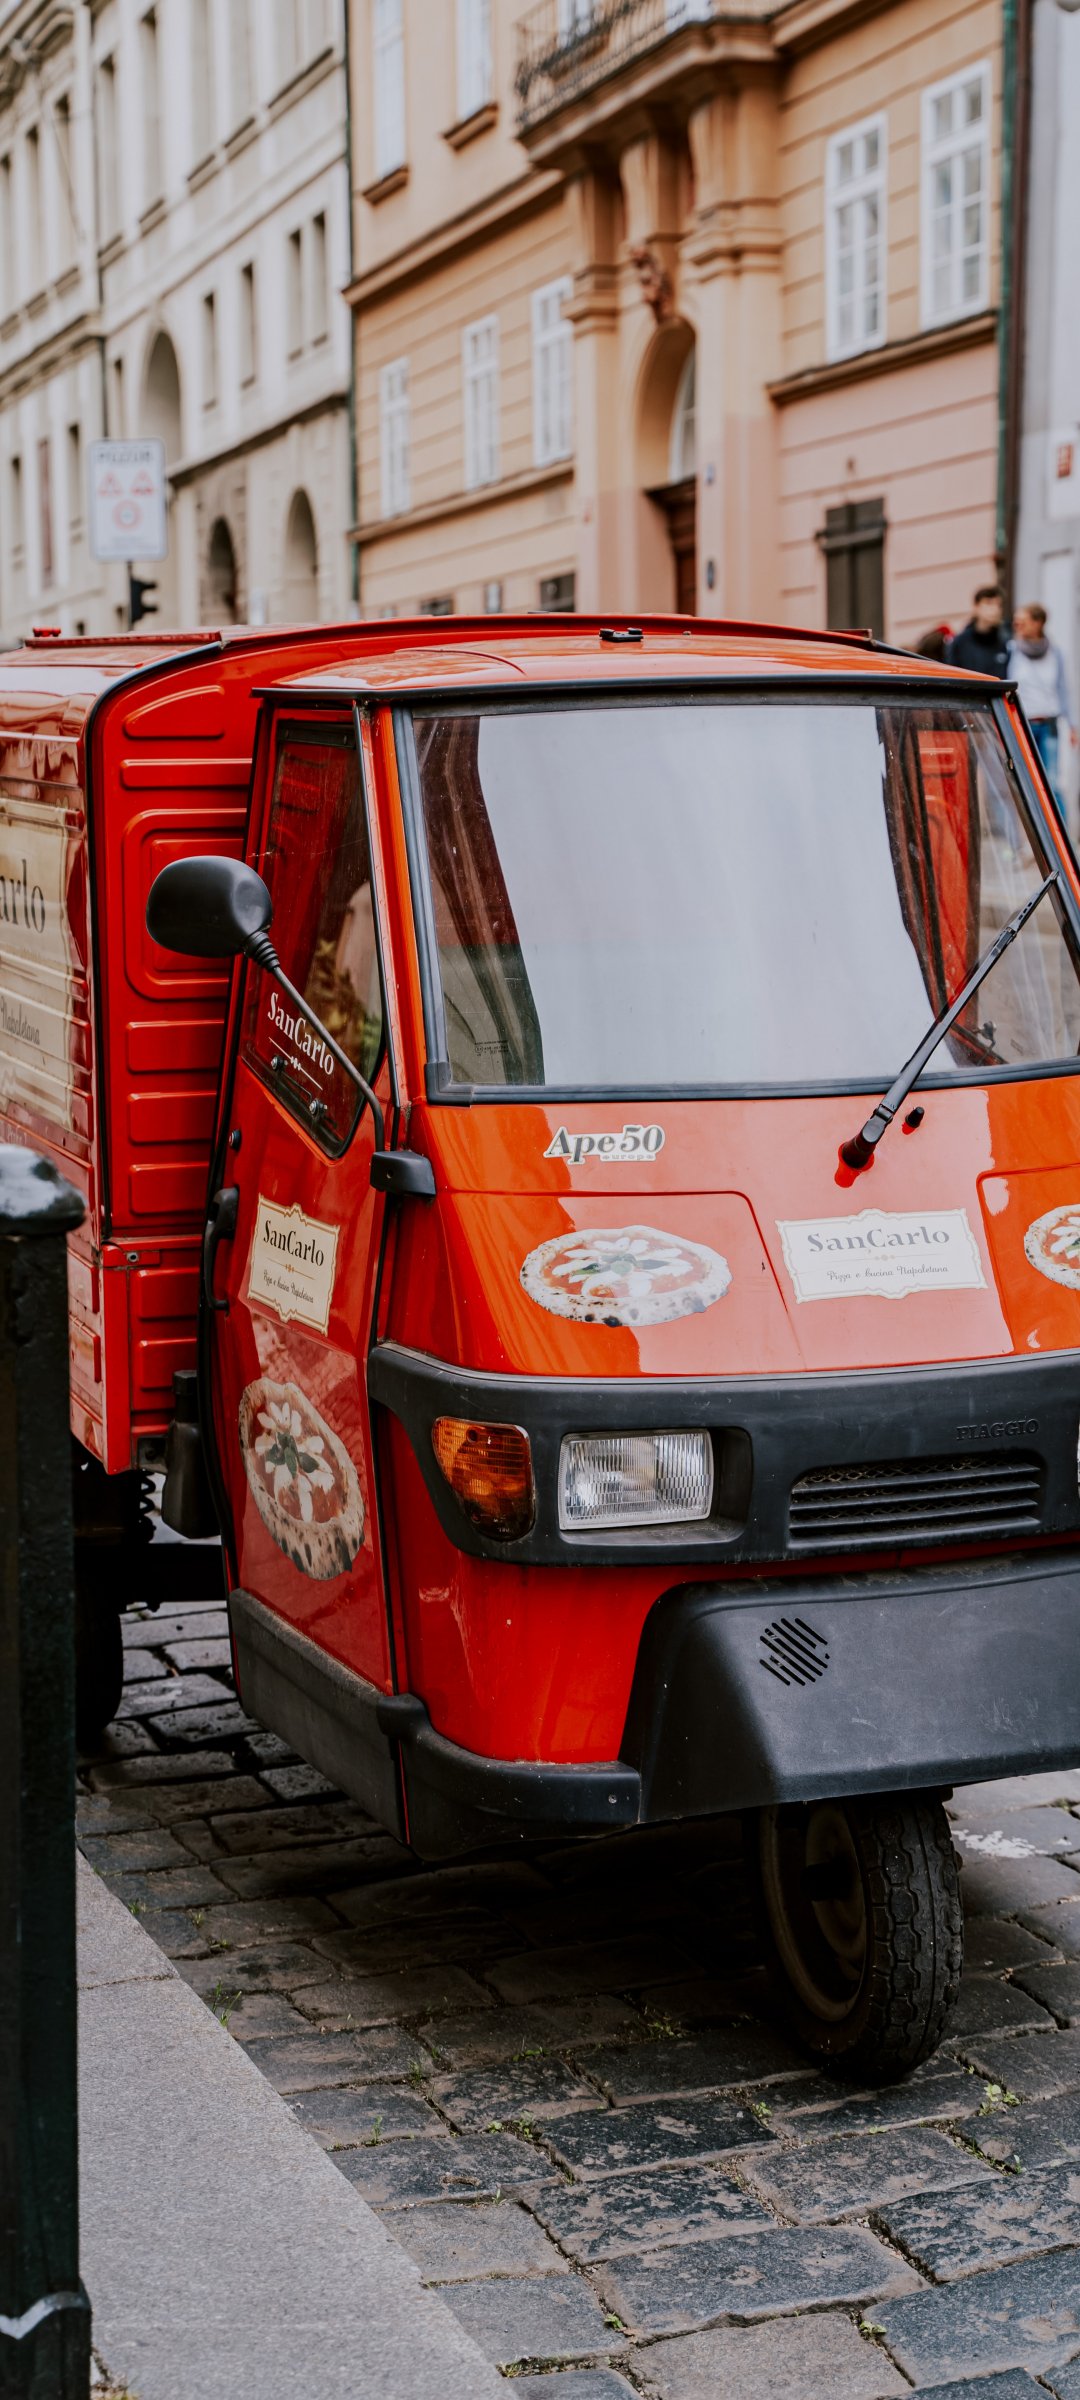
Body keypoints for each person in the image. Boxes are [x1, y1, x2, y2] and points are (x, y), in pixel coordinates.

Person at [1009, 602, 1078, 824]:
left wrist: (1073, 725)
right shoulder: (1012, 650)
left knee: (1052, 782)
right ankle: (1034, 832)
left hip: (1049, 724)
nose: (1018, 626)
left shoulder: (1055, 654)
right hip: (1023, 723)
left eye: (1023, 622)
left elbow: (1063, 690)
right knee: (1026, 781)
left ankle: (1062, 834)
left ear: (1037, 623)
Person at [947, 585, 1011, 679]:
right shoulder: (960, 642)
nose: (995, 609)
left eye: (999, 605)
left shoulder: (1006, 642)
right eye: (989, 603)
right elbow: (952, 676)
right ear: (976, 607)